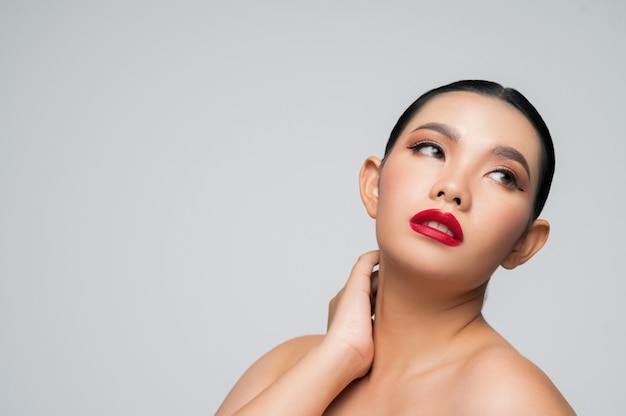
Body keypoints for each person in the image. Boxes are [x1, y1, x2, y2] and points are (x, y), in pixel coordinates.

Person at [215, 80, 576, 415]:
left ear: (523, 245)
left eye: (503, 176)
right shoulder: (289, 366)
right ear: (374, 185)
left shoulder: (512, 399)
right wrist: (339, 357)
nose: (452, 188)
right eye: (432, 149)